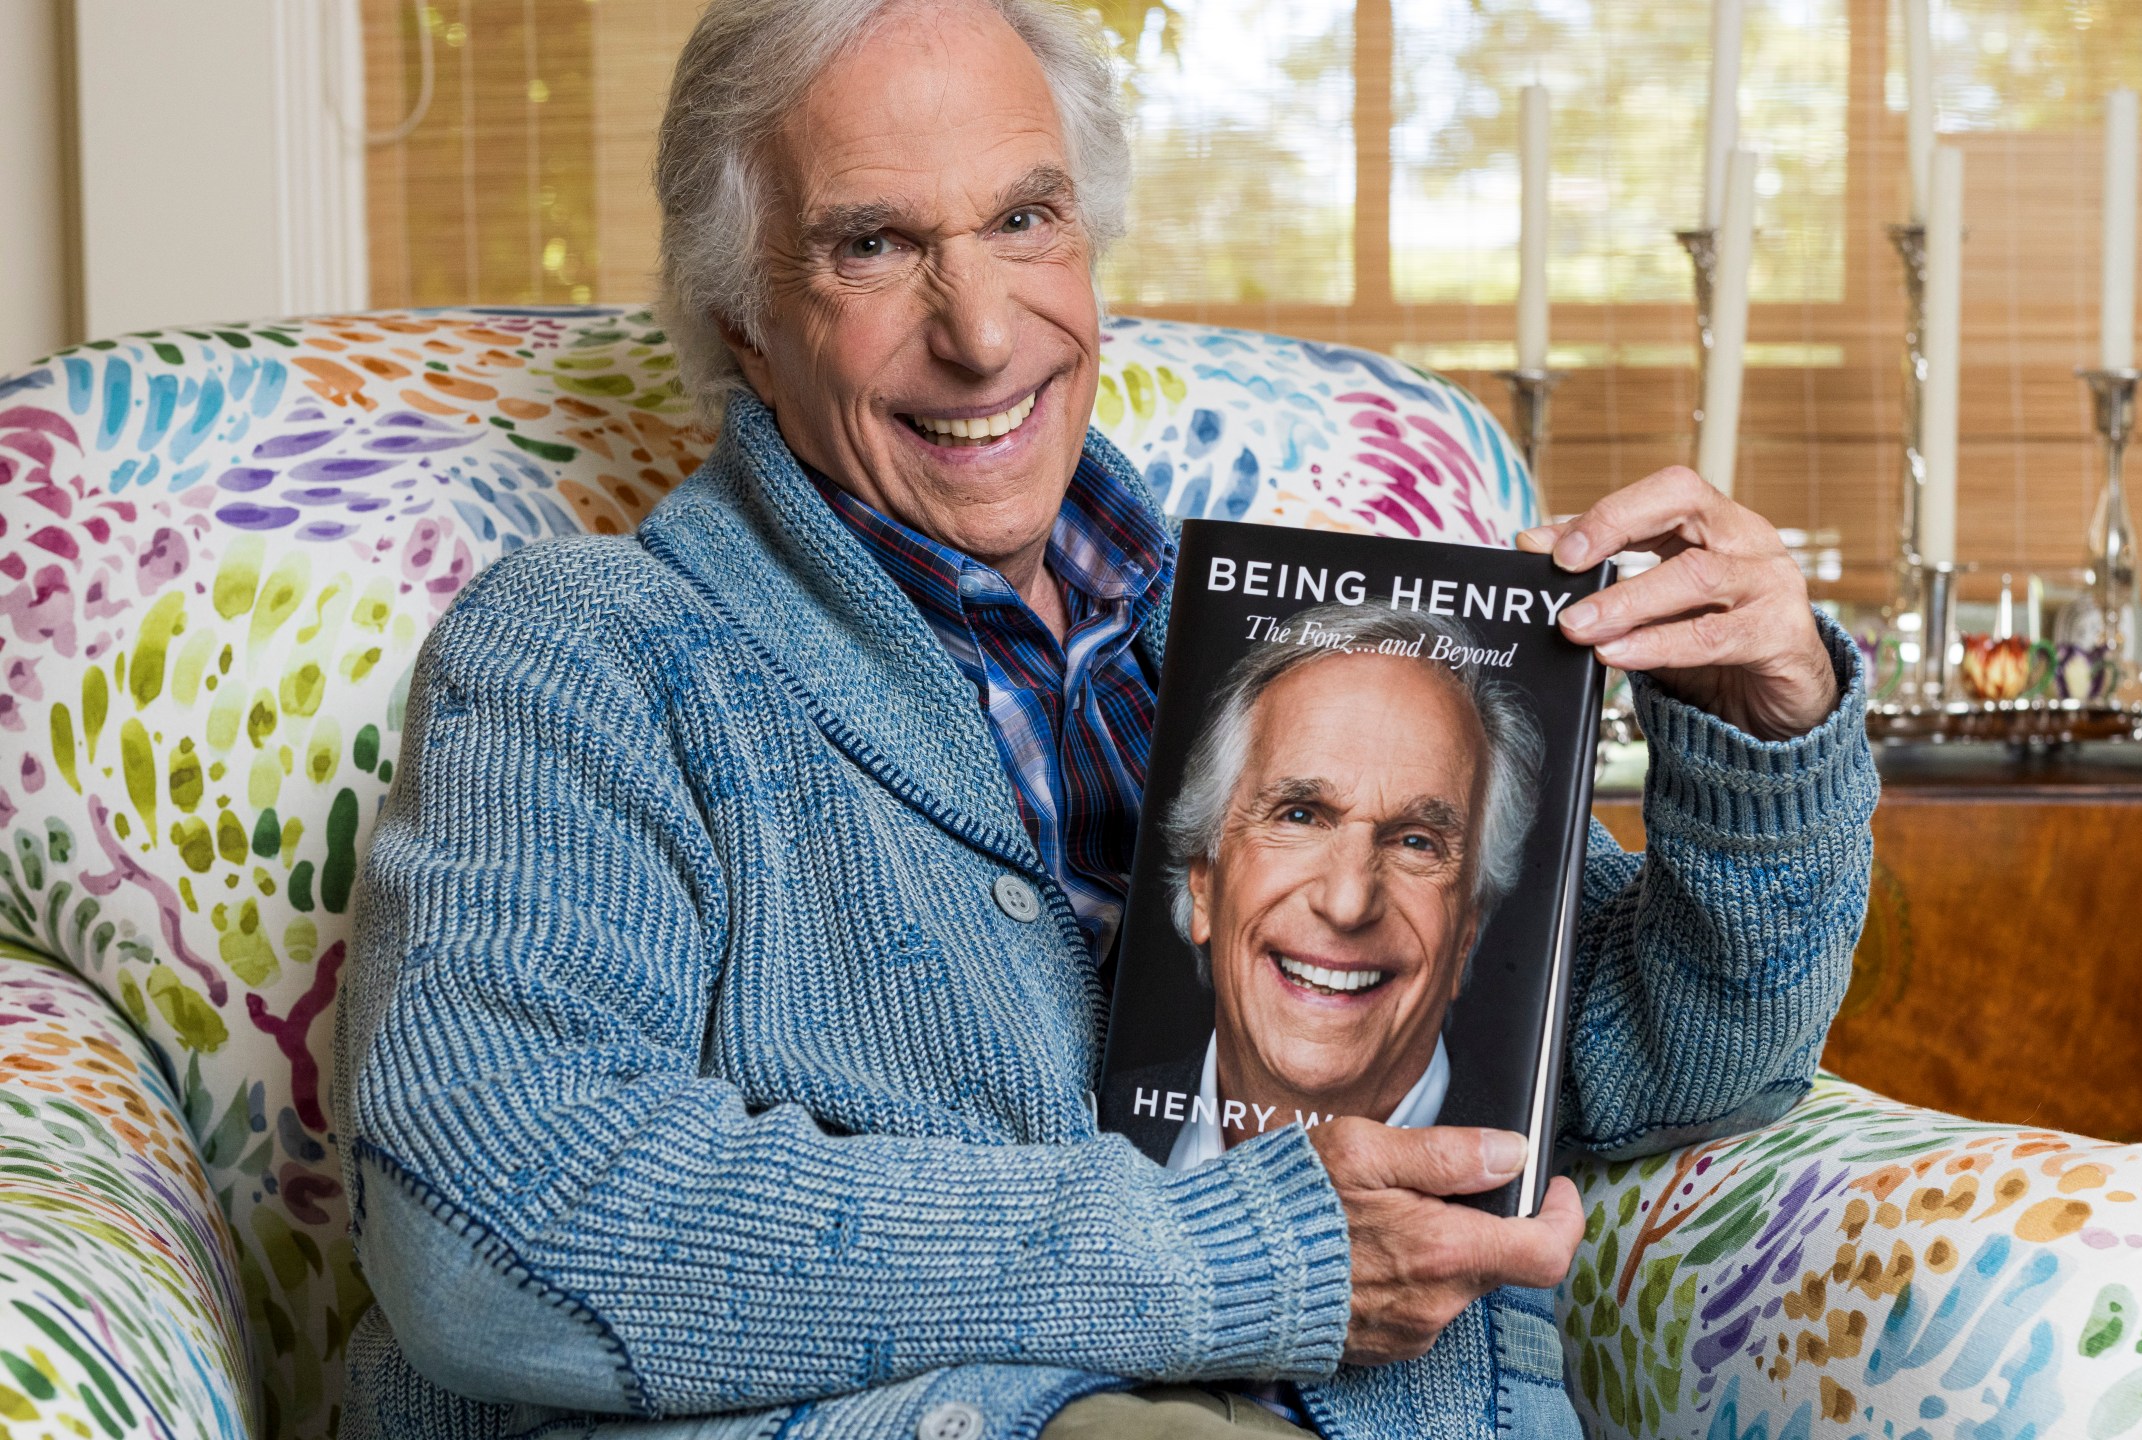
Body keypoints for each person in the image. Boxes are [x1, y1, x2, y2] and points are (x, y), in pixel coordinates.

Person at [334, 0, 1877, 1437]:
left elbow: (1660, 1060)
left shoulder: (1277, 643)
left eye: (1024, 218)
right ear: (745, 321)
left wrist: (1767, 737)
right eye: (873, 246)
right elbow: (492, 1223)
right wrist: (1227, 1261)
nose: (986, 333)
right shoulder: (585, 656)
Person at [1119, 604, 1541, 1169]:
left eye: (1417, 842)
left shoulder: (1527, 1160)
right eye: (1299, 815)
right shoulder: (1086, 1127)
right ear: (1204, 884)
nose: (1346, 904)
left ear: (1468, 928)